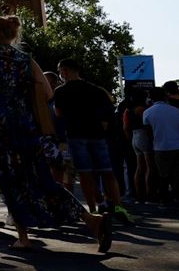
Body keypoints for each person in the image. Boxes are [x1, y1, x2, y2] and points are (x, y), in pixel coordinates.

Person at [0, 16, 111, 252]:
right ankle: (91, 220)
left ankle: (23, 236)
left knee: (9, 179)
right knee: (42, 178)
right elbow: (48, 93)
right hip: (24, 124)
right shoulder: (25, 58)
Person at [53, 59, 132, 224]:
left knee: (85, 174)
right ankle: (118, 206)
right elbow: (108, 114)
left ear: (65, 71)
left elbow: (58, 114)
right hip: (97, 135)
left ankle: (94, 209)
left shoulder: (60, 91)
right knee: (107, 172)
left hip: (76, 135)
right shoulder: (96, 90)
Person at [142, 87, 179, 208]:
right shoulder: (176, 110)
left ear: (151, 98)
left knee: (163, 175)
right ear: (165, 96)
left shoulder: (147, 112)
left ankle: (164, 200)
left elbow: (149, 133)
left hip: (160, 147)